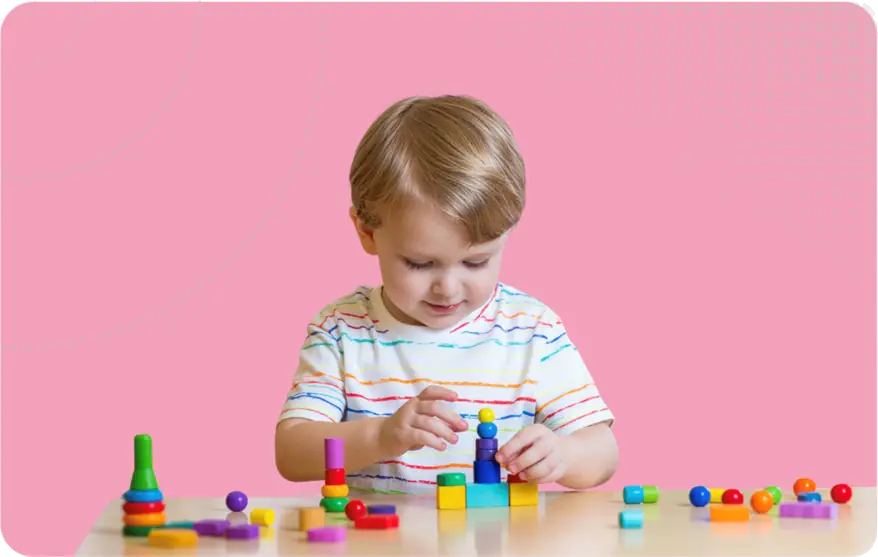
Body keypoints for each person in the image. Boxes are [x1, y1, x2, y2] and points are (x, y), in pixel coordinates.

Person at [275, 94, 618, 495]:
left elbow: (603, 451)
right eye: (420, 264)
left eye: (475, 263)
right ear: (367, 233)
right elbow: (291, 453)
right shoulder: (342, 331)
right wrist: (382, 436)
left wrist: (564, 454)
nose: (448, 288)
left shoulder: (531, 330)